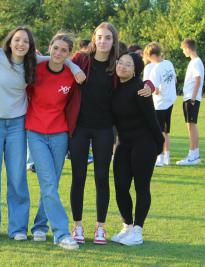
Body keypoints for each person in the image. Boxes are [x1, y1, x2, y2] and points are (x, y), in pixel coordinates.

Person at [0, 26, 84, 240]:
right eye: (17, 40)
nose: (20, 44)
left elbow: (58, 58)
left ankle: (18, 228)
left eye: (25, 42)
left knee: (17, 177)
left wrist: (74, 67)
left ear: (30, 46)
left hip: (18, 125)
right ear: (10, 42)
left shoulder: (34, 62)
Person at [67, 22, 152, 244]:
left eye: (107, 37)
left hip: (105, 130)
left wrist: (150, 84)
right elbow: (57, 59)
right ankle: (76, 226)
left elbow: (137, 76)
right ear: (94, 38)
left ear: (114, 40)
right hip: (80, 128)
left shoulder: (117, 64)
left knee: (102, 178)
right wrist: (74, 68)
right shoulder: (81, 59)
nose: (102, 41)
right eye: (99, 36)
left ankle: (100, 228)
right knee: (78, 178)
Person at [26, 32, 79, 250]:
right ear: (49, 47)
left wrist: (75, 68)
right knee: (48, 182)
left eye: (64, 50)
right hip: (35, 132)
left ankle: (39, 226)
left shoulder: (71, 75)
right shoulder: (35, 70)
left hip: (60, 134)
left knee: (52, 185)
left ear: (69, 54)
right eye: (55, 48)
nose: (58, 53)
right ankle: (62, 233)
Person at [111, 52, 164, 246]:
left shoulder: (141, 89)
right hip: (123, 144)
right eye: (120, 63)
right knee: (120, 186)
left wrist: (158, 144)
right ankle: (127, 227)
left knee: (141, 187)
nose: (122, 67)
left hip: (144, 143)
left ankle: (138, 231)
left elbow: (152, 120)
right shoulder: (114, 87)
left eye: (128, 64)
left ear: (135, 70)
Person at [143, 42, 177, 166]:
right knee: (166, 130)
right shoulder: (168, 63)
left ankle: (160, 158)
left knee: (158, 131)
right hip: (170, 100)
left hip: (159, 104)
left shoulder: (155, 68)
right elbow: (174, 79)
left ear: (151, 55)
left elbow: (155, 90)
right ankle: (167, 156)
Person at [176, 38, 204, 166]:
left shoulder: (196, 62)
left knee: (191, 126)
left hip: (191, 98)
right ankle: (195, 155)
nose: (183, 52)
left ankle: (192, 155)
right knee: (191, 125)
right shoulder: (193, 62)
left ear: (188, 48)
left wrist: (192, 97)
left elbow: (198, 79)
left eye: (183, 49)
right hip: (189, 97)